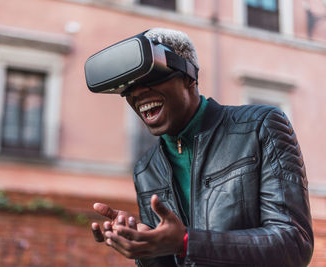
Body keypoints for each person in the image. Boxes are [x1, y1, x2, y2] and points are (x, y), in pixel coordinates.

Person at [86, 28, 313, 267]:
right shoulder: (146, 168)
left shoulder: (260, 126)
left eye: (152, 78)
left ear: (189, 77)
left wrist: (186, 241)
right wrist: (145, 247)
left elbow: (294, 243)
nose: (139, 92)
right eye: (129, 87)